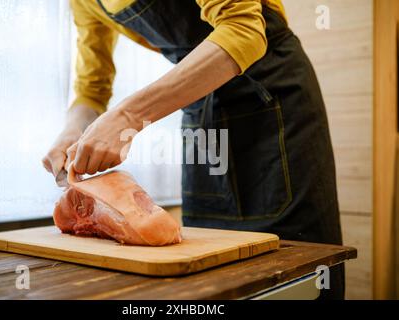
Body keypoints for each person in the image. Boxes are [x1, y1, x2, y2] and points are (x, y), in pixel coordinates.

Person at [42, 0, 344, 299]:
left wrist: (129, 116)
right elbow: (91, 89)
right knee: (208, 266)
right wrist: (73, 129)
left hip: (271, 92)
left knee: (295, 267)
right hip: (201, 107)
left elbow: (244, 29)